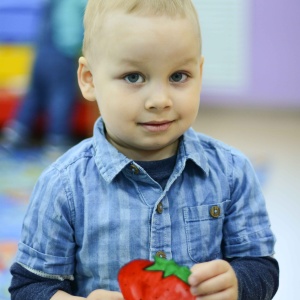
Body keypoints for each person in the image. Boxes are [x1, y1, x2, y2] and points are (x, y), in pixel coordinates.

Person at [9, 0, 279, 299]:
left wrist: (239, 284)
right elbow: (30, 286)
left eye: (178, 76)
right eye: (134, 77)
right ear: (89, 79)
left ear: (199, 73)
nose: (160, 100)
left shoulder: (232, 173)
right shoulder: (62, 186)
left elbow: (261, 267)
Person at [0, 0, 86, 152]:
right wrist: (76, 48)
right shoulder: (73, 3)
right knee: (62, 95)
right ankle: (57, 137)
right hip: (61, 53)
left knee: (34, 93)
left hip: (40, 52)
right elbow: (69, 31)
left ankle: (16, 132)